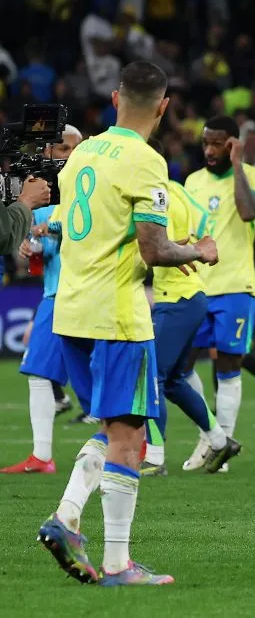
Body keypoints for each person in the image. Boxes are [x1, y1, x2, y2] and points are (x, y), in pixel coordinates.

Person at [38, 61, 218, 586]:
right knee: (131, 434)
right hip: (116, 312)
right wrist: (197, 250)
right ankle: (117, 562)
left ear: (116, 98)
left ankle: (68, 516)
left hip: (69, 309)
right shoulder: (147, 162)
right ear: (163, 106)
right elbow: (153, 247)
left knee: (113, 426)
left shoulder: (83, 153)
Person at [181, 115, 255, 470]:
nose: (209, 150)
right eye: (206, 143)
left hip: (236, 285)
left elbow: (249, 212)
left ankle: (221, 454)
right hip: (197, 286)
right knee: (181, 366)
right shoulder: (191, 181)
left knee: (229, 364)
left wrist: (238, 165)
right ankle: (211, 437)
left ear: (233, 143)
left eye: (218, 143)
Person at [140, 176, 242, 477]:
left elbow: (154, 248)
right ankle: (220, 440)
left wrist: (178, 246)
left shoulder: (153, 196)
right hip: (191, 295)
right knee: (173, 380)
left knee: (153, 377)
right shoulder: (179, 191)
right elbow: (205, 219)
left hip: (176, 299)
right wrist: (195, 241)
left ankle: (155, 457)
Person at [1, 125, 82, 475]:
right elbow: (35, 257)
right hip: (57, 292)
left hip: (81, 292)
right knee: (40, 370)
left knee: (98, 378)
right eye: (59, 148)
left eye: (70, 148)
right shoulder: (42, 200)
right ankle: (42, 456)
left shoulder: (84, 192)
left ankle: (143, 446)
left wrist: (50, 229)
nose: (64, 155)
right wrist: (30, 247)